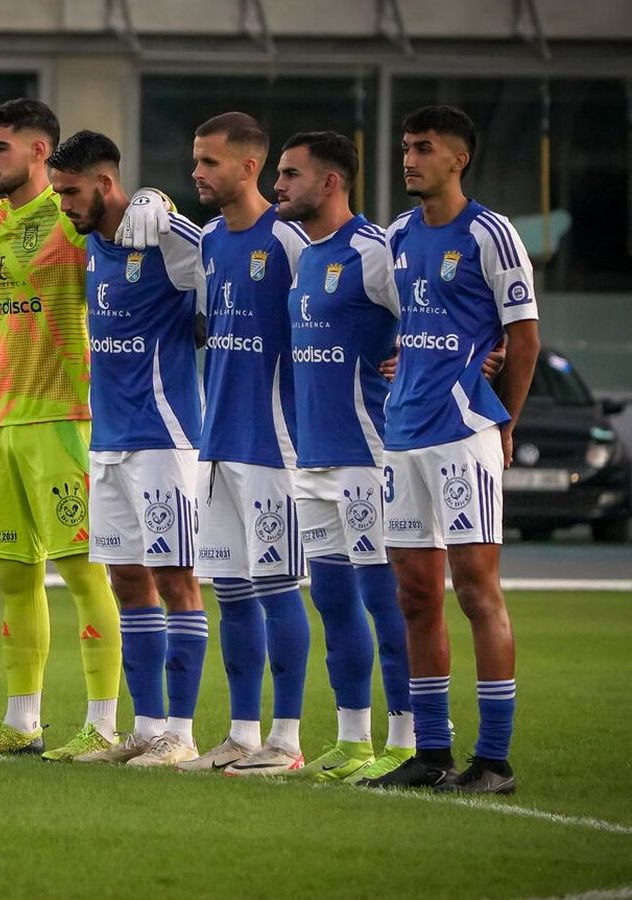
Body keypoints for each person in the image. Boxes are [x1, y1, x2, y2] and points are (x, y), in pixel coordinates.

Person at [362, 106, 539, 794]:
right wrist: (404, 359)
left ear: (458, 159)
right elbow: (407, 320)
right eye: (406, 146)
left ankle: (493, 760)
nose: (409, 158)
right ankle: (431, 752)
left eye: (424, 147)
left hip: (464, 435)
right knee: (414, 595)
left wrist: (506, 422)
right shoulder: (399, 234)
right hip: (402, 436)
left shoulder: (491, 233)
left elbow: (523, 337)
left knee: (475, 590)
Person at [0, 99, 123, 760]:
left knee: (84, 573)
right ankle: (22, 722)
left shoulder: (71, 217)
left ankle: (103, 725)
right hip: (0, 422)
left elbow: (130, 221)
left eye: (0, 147)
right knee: (15, 578)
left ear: (39, 151)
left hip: (63, 418)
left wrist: (154, 200)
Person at [45, 130, 210, 767]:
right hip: (109, 439)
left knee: (176, 580)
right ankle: (145, 728)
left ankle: (182, 733)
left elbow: (228, 267)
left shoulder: (166, 236)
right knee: (127, 580)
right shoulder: (93, 242)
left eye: (70, 193)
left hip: (164, 439)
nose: (63, 206)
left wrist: (161, 202)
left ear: (106, 184)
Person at [272, 131, 416, 782]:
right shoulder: (307, 258)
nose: (278, 185)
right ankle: (353, 738)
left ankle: (407, 738)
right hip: (314, 458)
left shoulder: (373, 251)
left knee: (385, 598)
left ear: (330, 182)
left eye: (290, 174)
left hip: (367, 456)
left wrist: (410, 355)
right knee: (332, 599)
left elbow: (433, 316)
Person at [175, 112, 313, 776]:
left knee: (279, 587)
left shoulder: (288, 240)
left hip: (275, 444)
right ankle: (241, 734)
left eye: (209, 162)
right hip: (218, 442)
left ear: (249, 167)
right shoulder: (207, 240)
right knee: (230, 592)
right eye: (196, 160)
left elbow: (340, 313)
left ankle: (287, 740)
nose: (197, 173)